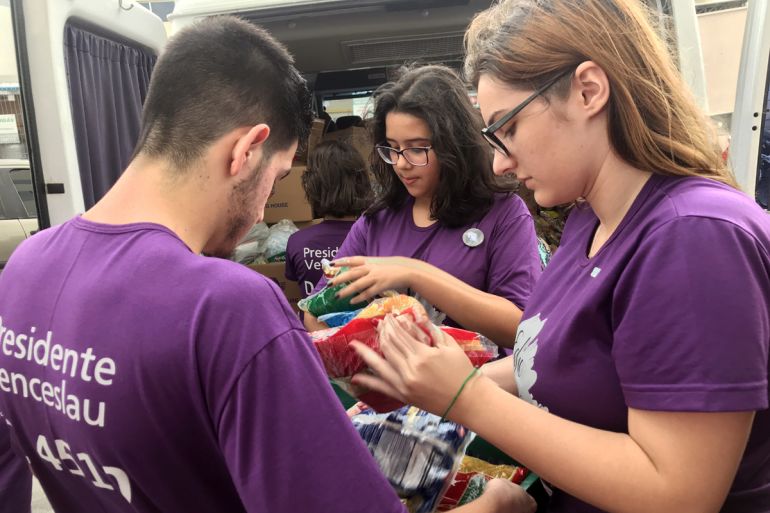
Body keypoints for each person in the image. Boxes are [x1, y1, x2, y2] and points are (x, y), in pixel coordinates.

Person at [0, 16, 533, 513]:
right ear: (248, 151)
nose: (262, 211)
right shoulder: (226, 306)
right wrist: (495, 505)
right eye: (277, 179)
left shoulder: (22, 268)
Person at [350, 1, 770, 512]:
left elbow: (676, 493)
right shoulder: (588, 222)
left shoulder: (693, 236)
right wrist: (426, 379)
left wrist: (465, 396)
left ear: (589, 90)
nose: (501, 162)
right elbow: (554, 359)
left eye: (509, 128)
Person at [305, 65, 542, 348]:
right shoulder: (377, 220)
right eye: (392, 148)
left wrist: (414, 273)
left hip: (475, 387)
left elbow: (522, 328)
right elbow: (315, 311)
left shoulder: (503, 214)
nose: (402, 163)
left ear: (454, 146)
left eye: (417, 148)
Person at [285, 140, 372, 299]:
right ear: (361, 182)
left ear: (312, 186)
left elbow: (293, 300)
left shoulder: (297, 242)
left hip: (313, 323)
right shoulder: (378, 238)